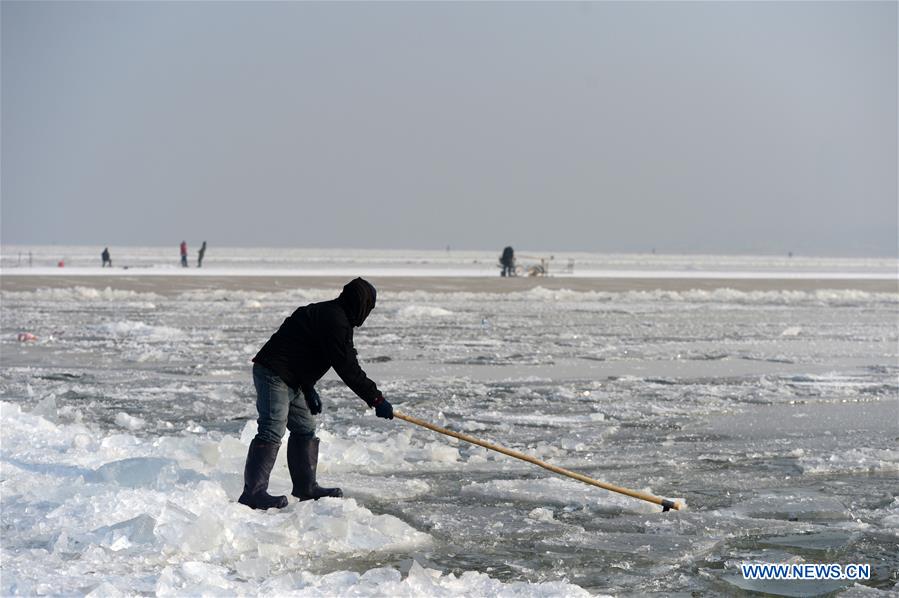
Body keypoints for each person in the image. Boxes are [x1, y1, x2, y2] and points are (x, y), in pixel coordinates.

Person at [238, 277, 394, 510]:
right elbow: (347, 366)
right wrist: (376, 399)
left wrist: (308, 387)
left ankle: (305, 487)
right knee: (272, 428)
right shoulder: (335, 320)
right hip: (273, 373)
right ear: (360, 303)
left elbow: (304, 349)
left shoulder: (336, 316)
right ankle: (253, 493)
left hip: (293, 378)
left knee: (304, 428)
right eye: (369, 307)